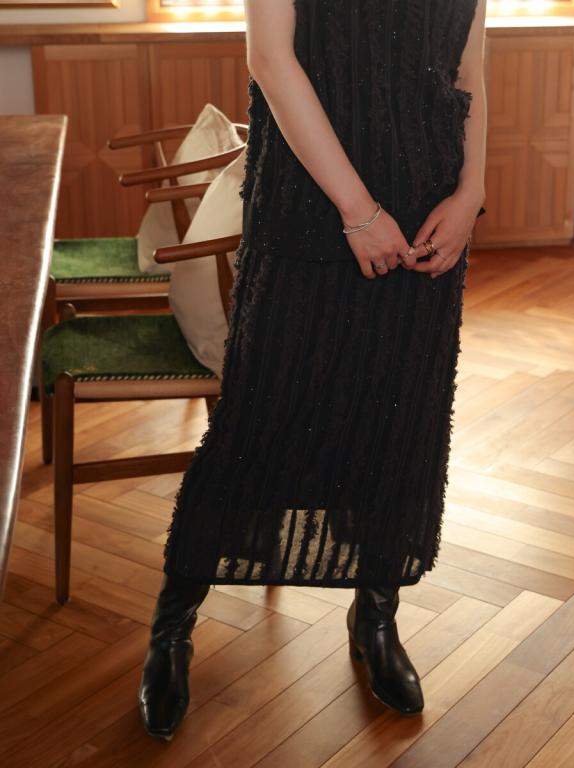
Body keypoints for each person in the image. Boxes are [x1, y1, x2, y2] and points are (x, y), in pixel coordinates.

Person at [139, 0, 488, 741]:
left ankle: (376, 616)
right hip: (310, 207)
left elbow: (467, 72)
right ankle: (172, 627)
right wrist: (358, 210)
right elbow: (271, 60)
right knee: (259, 424)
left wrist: (471, 194)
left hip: (429, 213)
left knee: (401, 421)